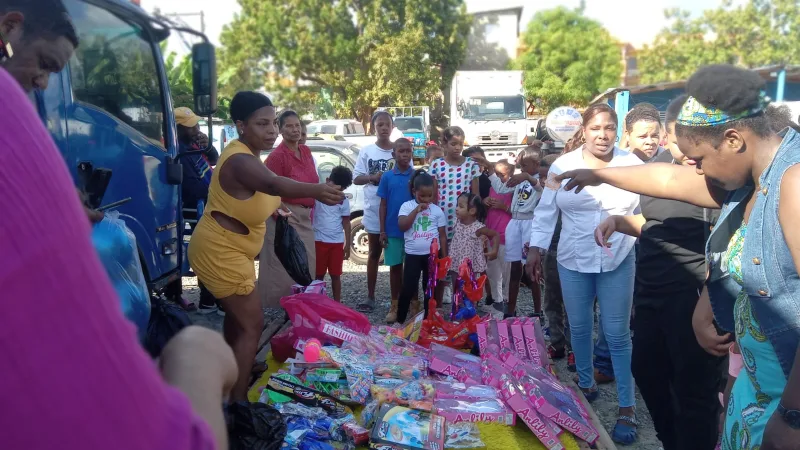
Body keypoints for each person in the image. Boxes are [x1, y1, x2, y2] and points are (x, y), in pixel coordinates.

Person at [0, 2, 237, 448]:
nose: (43, 84)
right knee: (199, 348)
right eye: (46, 65)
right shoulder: (8, 105)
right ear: (10, 28)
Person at [556, 64, 800, 450]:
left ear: (734, 139)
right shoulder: (751, 180)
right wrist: (601, 175)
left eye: (699, 158)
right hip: (759, 387)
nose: (696, 169)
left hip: (786, 396)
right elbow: (669, 180)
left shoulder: (794, 181)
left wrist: (792, 417)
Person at [189, 92, 343, 402]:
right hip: (220, 252)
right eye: (262, 123)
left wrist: (275, 209)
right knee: (252, 322)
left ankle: (231, 373)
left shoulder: (251, 156)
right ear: (240, 126)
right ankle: (237, 402)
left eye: (273, 122)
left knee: (237, 320)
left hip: (234, 253)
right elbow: (273, 185)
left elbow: (261, 194)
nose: (271, 130)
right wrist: (317, 189)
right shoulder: (239, 159)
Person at [593, 94, 724, 450]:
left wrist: (710, 305)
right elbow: (654, 222)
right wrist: (619, 222)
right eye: (680, 137)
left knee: (694, 389)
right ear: (669, 135)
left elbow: (726, 248)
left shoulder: (714, 176)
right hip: (651, 292)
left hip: (692, 296)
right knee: (647, 371)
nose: (688, 148)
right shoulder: (661, 167)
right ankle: (671, 440)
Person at [526, 103, 642, 444]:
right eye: (595, 128)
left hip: (618, 259)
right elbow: (546, 212)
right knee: (578, 327)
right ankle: (587, 383)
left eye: (609, 128)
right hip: (573, 259)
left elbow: (647, 212)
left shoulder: (633, 165)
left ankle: (627, 407)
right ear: (584, 131)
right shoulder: (563, 165)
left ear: (617, 131)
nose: (602, 135)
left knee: (617, 334)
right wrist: (536, 249)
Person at [260, 110, 321, 309]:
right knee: (282, 267)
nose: (295, 130)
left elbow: (312, 182)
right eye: (289, 126)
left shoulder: (306, 151)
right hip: (285, 215)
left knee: (306, 264)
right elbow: (268, 190)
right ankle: (284, 308)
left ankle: (301, 306)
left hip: (305, 215)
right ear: (280, 129)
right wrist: (283, 212)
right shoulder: (277, 156)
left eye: (297, 126)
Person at [477, 146, 544, 318]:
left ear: (536, 164)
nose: (522, 170)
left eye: (525, 166)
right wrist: (490, 169)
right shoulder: (520, 180)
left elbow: (540, 190)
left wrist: (528, 177)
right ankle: (510, 310)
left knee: (531, 269)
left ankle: (538, 311)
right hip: (514, 222)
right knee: (515, 267)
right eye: (520, 166)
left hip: (530, 222)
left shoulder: (541, 179)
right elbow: (501, 189)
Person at [167, 106, 221, 313]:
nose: (197, 129)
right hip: (195, 208)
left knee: (212, 251)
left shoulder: (194, 145)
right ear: (178, 129)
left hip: (205, 204)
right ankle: (207, 298)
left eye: (197, 124)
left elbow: (214, 160)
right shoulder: (178, 150)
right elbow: (193, 186)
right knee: (207, 251)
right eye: (191, 127)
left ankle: (210, 298)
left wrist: (207, 147)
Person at [429, 126, 481, 303]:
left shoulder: (471, 166)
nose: (457, 148)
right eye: (453, 144)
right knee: (443, 260)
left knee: (463, 263)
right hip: (443, 221)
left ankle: (463, 301)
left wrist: (475, 222)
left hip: (464, 224)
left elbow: (475, 197)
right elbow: (434, 196)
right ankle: (440, 300)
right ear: (444, 143)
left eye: (460, 144)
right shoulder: (436, 165)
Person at [353, 111, 396, 312]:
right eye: (380, 125)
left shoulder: (399, 150)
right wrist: (373, 177)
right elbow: (356, 178)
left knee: (396, 254)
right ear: (374, 128)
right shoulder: (367, 151)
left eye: (387, 124)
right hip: (372, 208)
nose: (384, 128)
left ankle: (397, 298)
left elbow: (409, 176)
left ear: (392, 127)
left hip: (395, 209)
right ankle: (370, 296)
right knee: (373, 253)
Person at [396, 170, 448, 323]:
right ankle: (400, 320)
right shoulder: (406, 206)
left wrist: (444, 256)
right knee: (408, 288)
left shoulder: (437, 210)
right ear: (414, 191)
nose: (426, 200)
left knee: (429, 287)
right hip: (412, 255)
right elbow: (402, 226)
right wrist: (415, 211)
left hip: (432, 256)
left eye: (429, 196)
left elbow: (442, 235)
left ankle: (427, 320)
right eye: (422, 196)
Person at [378, 139, 415, 322]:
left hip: (412, 232)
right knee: (395, 269)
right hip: (392, 231)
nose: (405, 154)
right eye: (401, 151)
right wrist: (382, 230)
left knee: (412, 270)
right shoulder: (387, 177)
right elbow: (383, 205)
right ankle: (395, 305)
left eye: (408, 151)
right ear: (394, 154)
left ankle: (414, 305)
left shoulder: (416, 176)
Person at [313, 165, 353, 302]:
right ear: (327, 180)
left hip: (336, 243)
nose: (336, 192)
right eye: (333, 187)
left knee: (336, 275)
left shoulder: (344, 200)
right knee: (318, 275)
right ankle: (317, 302)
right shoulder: (317, 194)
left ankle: (337, 304)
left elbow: (346, 223)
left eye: (340, 190)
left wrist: (347, 245)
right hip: (318, 241)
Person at [483, 159, 514, 316]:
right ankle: (497, 301)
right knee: (492, 270)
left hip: (506, 234)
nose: (500, 178)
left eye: (503, 174)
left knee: (507, 271)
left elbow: (519, 213)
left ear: (511, 174)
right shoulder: (493, 187)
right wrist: (485, 201)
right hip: (491, 232)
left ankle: (509, 301)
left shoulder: (514, 188)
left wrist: (504, 207)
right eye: (497, 174)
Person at [448, 192, 499, 287]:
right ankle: (457, 302)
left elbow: (495, 235)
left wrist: (495, 251)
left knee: (470, 288)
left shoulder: (478, 228)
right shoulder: (457, 222)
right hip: (456, 261)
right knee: (456, 287)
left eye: (460, 206)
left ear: (472, 211)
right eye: (457, 205)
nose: (456, 208)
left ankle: (471, 302)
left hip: (470, 266)